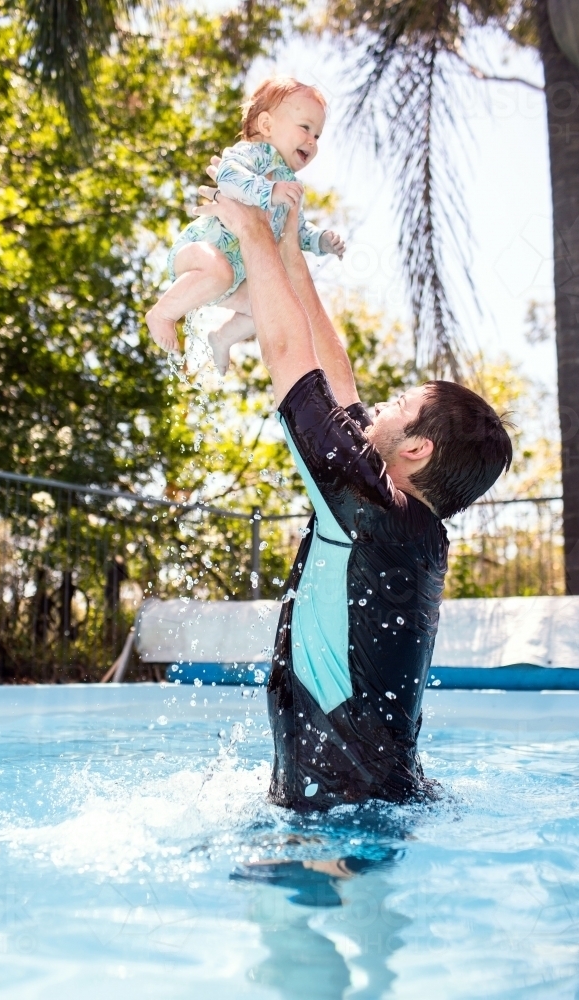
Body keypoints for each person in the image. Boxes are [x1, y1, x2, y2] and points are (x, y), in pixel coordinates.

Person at [192, 184, 513, 810]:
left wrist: (252, 230)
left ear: (416, 448)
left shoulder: (365, 504)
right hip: (382, 797)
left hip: (332, 825)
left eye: (403, 406)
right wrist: (289, 250)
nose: (381, 405)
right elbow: (337, 377)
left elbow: (292, 361)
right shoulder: (410, 526)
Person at [145, 77, 345, 374]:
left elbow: (298, 229)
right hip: (201, 253)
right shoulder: (255, 154)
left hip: (233, 278)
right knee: (219, 272)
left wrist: (320, 240)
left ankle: (222, 338)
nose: (312, 141)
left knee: (269, 308)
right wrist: (269, 192)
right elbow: (228, 176)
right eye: (305, 128)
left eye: (317, 135)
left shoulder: (291, 183)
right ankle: (162, 314)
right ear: (266, 126)